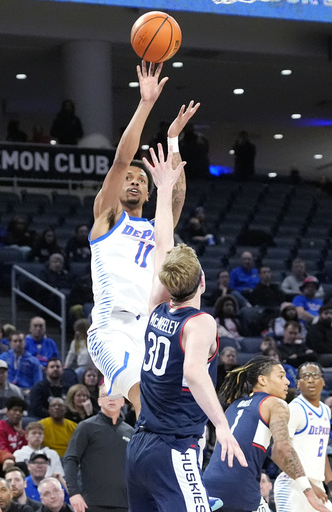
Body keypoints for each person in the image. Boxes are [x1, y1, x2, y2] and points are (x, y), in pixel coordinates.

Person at [126, 144, 247, 511]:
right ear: (204, 282)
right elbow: (194, 372)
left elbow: (162, 242)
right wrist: (223, 426)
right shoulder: (201, 322)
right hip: (174, 448)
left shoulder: (156, 307)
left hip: (139, 449)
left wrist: (164, 190)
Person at [87, 60, 199, 417]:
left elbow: (177, 195)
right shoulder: (107, 218)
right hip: (113, 328)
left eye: (142, 180)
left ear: (149, 194)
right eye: (129, 179)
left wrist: (172, 139)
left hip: (151, 328)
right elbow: (121, 159)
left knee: (166, 408)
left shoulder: (156, 230)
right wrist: (146, 103)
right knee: (145, 401)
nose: (134, 181)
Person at [203, 355, 330, 512]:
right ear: (262, 380)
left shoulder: (233, 407)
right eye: (281, 376)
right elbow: (282, 449)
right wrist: (309, 492)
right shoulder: (275, 404)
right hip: (241, 487)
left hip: (208, 486)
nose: (287, 382)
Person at [64, 383, 134, 512]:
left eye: (115, 395)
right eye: (106, 395)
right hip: (90, 503)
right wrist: (73, 493)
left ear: (123, 401)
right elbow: (70, 459)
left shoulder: (131, 432)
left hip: (125, 503)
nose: (111, 398)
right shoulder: (86, 427)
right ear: (99, 401)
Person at [274, 362, 332, 512]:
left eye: (315, 376)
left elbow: (321, 449)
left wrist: (330, 483)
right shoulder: (294, 409)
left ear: (323, 381)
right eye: (305, 376)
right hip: (293, 485)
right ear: (298, 384)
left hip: (317, 485)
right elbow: (279, 452)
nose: (311, 380)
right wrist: (308, 486)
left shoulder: (326, 410)